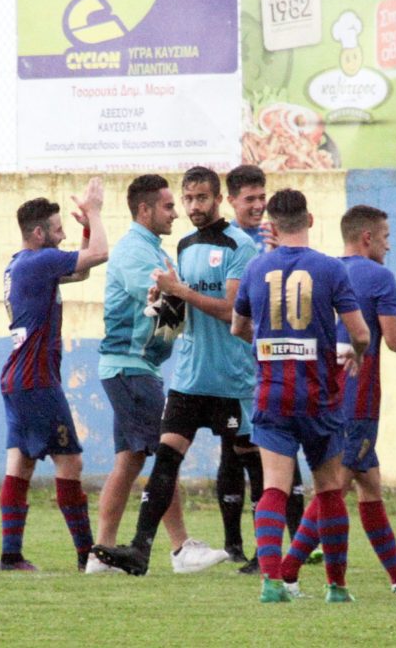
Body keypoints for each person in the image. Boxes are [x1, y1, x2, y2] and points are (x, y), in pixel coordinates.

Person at [92, 166, 257, 576]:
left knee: (245, 460)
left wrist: (174, 296)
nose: (186, 209)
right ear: (146, 209)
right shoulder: (167, 248)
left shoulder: (235, 245)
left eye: (200, 198)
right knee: (164, 456)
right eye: (181, 201)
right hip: (172, 375)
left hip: (224, 377)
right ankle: (167, 548)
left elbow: (225, 312)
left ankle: (264, 552)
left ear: (218, 199)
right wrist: (163, 297)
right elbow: (169, 308)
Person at [278, 204, 396, 596]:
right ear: (367, 237)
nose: (388, 246)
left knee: (370, 484)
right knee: (335, 487)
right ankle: (285, 573)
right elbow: (393, 341)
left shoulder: (325, 270)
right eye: (385, 237)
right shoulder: (380, 277)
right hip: (358, 397)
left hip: (323, 391)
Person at [231, 188, 370, 603]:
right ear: (309, 220)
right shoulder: (330, 269)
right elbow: (361, 333)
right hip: (318, 396)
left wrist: (268, 343)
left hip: (273, 395)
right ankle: (336, 587)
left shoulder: (256, 268)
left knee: (273, 487)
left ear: (271, 226)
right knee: (328, 489)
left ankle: (272, 582)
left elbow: (238, 327)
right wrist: (356, 352)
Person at [0, 178, 109, 571]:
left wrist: (85, 228)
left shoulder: (20, 264)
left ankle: (11, 556)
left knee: (21, 463)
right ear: (38, 233)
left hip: (17, 379)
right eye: (58, 230)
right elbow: (100, 255)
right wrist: (95, 211)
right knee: (70, 462)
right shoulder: (39, 262)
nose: (63, 237)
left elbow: (81, 272)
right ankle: (87, 555)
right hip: (36, 380)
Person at [223, 164, 307, 574]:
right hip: (237, 369)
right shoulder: (229, 243)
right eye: (250, 199)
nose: (257, 206)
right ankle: (236, 545)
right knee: (236, 450)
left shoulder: (274, 243)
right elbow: (236, 313)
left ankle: (291, 546)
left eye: (262, 198)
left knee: (273, 459)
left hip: (270, 372)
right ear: (232, 201)